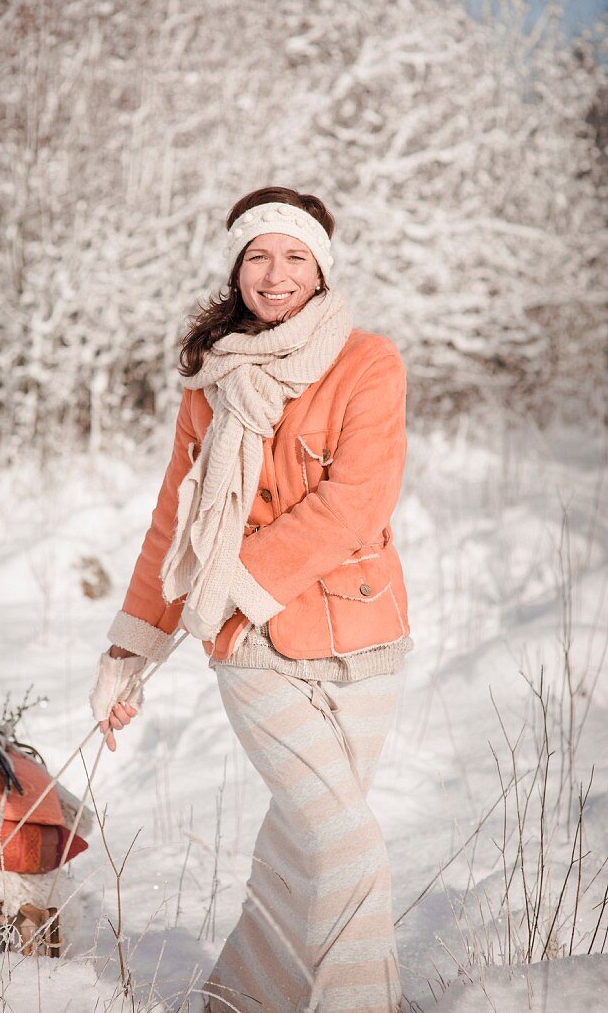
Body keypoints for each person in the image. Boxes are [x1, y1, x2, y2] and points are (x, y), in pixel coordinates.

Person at [89, 185, 414, 1013]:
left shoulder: (367, 363)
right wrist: (130, 648)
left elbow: (356, 504)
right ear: (237, 270)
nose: (275, 275)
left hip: (366, 639)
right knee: (348, 848)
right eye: (258, 256)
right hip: (248, 641)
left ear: (320, 269)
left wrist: (233, 572)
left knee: (302, 845)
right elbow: (176, 519)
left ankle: (241, 1001)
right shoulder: (210, 381)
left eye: (294, 256)